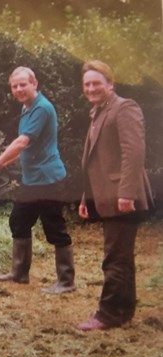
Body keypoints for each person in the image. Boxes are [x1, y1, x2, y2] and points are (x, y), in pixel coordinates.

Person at [0, 66, 75, 294]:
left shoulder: (42, 108)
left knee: (55, 227)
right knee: (19, 221)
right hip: (32, 180)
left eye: (23, 84)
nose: (18, 89)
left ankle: (66, 281)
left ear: (35, 84)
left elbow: (22, 143)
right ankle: (19, 273)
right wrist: (2, 164)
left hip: (48, 179)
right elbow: (26, 148)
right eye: (14, 86)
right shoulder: (27, 108)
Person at [77, 60, 154, 331]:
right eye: (87, 84)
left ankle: (108, 315)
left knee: (115, 257)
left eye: (96, 83)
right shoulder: (98, 112)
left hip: (123, 197)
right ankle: (122, 311)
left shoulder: (125, 108)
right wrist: (86, 198)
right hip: (106, 197)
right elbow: (95, 161)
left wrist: (126, 193)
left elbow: (133, 153)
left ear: (111, 84)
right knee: (121, 256)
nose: (91, 88)